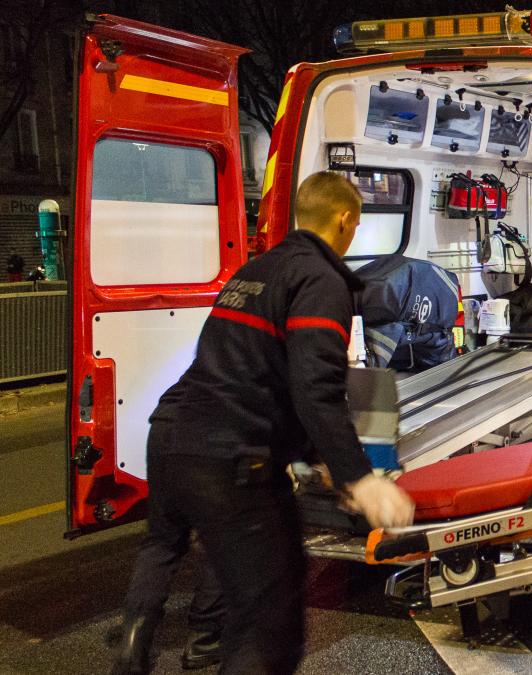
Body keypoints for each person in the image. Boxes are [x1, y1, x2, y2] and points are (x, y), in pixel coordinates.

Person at [111, 172, 413, 674]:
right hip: (232, 456)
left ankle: (131, 653)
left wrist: (317, 459)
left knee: (166, 547)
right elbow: (315, 389)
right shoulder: (321, 281)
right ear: (345, 220)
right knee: (268, 622)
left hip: (171, 437)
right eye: (356, 224)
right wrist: (360, 478)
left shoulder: (253, 272)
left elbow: (248, 366)